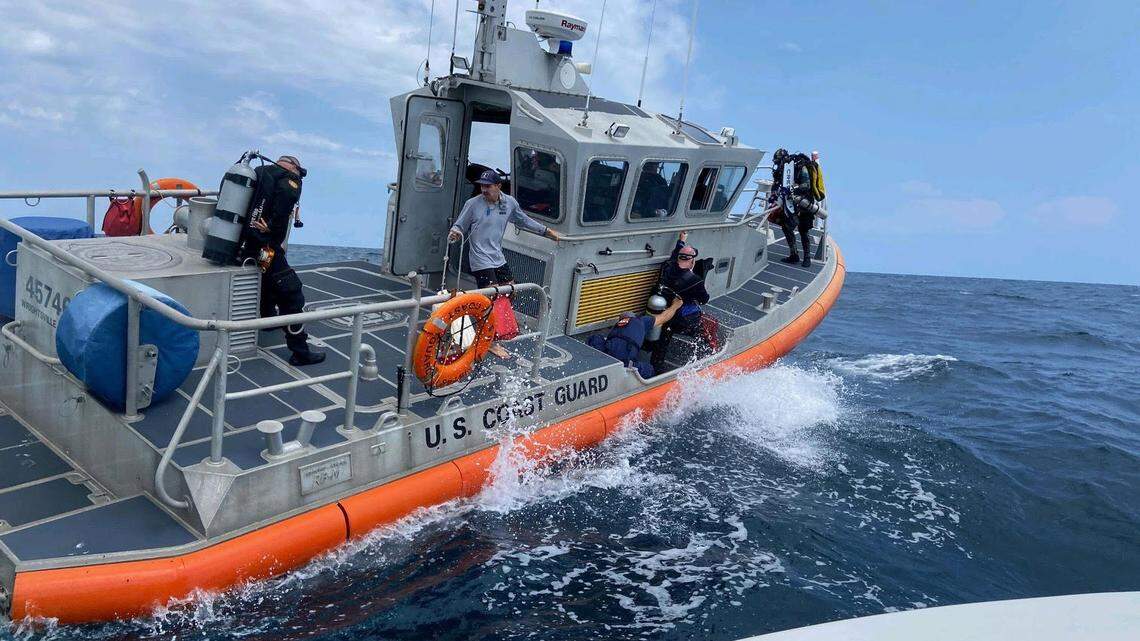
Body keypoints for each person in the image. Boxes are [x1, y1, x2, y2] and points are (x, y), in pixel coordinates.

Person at [448, 169, 563, 358]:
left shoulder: (509, 203)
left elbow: (523, 220)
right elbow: (459, 225)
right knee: (491, 298)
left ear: (498, 186)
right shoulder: (473, 204)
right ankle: (490, 341)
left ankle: (493, 327)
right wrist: (455, 233)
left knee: (510, 290)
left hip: (497, 257)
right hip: (480, 259)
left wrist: (546, 232)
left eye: (488, 186)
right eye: (482, 186)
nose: (484, 190)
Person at [241, 154, 325, 366]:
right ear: (294, 167)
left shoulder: (259, 173)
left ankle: (268, 321)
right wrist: (272, 230)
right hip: (266, 246)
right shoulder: (289, 181)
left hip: (244, 244)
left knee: (268, 283)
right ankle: (300, 352)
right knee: (291, 295)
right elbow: (279, 220)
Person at [651, 231, 712, 371]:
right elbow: (704, 299)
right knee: (699, 328)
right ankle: (703, 355)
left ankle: (656, 363)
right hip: (679, 317)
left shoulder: (668, 266)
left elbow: (675, 255)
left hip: (663, 310)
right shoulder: (695, 281)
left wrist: (681, 241)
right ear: (692, 261)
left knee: (663, 339)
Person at [587, 298, 683, 378]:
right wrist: (676, 305)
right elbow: (664, 317)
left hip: (606, 355)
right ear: (634, 317)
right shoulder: (641, 321)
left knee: (596, 338)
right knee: (649, 369)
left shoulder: (618, 325)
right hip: (624, 362)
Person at [771, 149, 818, 268]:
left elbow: (806, 185)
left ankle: (807, 257)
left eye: (778, 162)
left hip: (804, 201)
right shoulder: (780, 171)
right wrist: (773, 195)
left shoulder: (799, 167)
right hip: (790, 202)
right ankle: (794, 254)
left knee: (803, 230)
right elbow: (776, 183)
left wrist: (792, 189)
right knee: (786, 226)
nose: (777, 165)